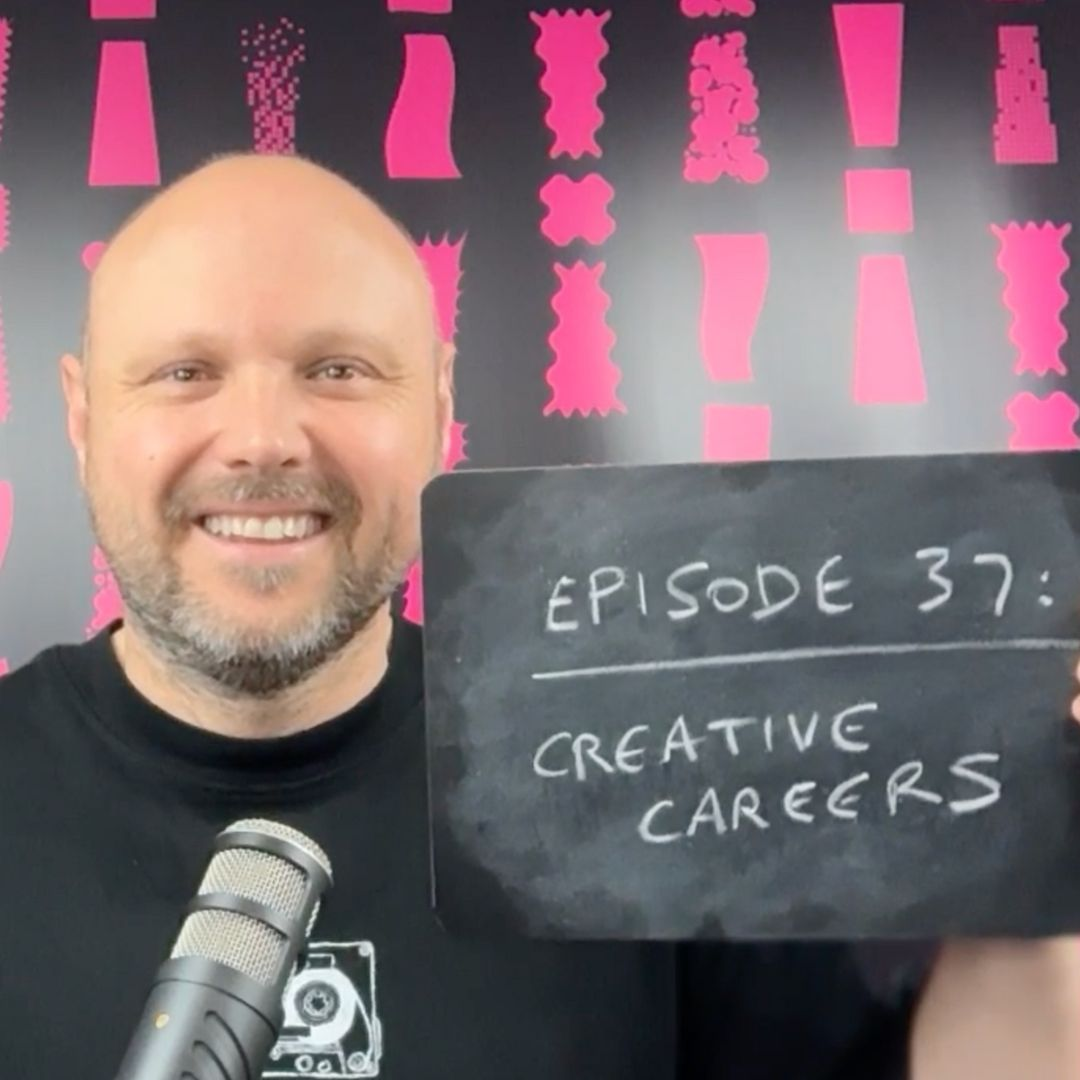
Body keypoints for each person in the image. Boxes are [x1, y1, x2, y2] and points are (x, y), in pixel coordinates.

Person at [0, 151, 1076, 1079]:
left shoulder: (652, 780)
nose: (263, 438)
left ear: (439, 408)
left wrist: (1042, 856)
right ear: (83, 418)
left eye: (338, 369)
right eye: (185, 372)